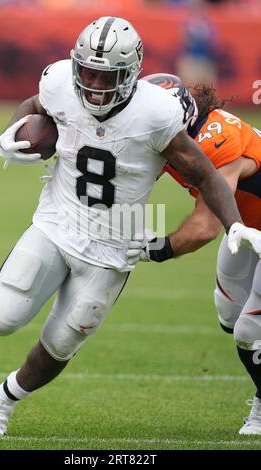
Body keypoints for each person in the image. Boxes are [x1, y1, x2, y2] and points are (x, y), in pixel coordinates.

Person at [0, 17, 258, 437]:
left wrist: (165, 244)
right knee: (0, 319)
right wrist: (11, 134)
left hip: (112, 246)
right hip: (57, 223)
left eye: (106, 76)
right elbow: (36, 108)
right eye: (87, 72)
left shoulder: (160, 117)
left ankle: (3, 400)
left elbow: (205, 190)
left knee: (64, 342)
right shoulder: (58, 83)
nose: (93, 85)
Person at [136, 72, 261, 435]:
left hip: (241, 226)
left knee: (249, 332)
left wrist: (152, 250)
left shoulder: (215, 140)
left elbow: (205, 226)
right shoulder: (178, 133)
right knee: (228, 314)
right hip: (247, 229)